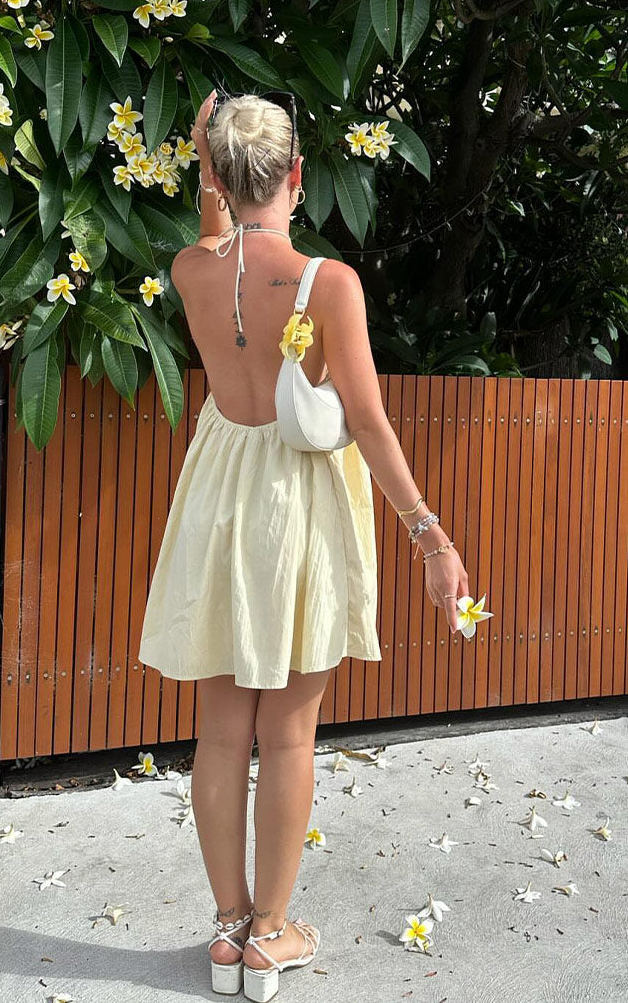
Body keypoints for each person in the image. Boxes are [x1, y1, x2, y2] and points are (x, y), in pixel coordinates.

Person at [137, 88, 469, 996]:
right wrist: (430, 536)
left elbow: (217, 229)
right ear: (296, 174)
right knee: (286, 734)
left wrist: (212, 168)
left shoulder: (190, 270)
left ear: (213, 175)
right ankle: (272, 935)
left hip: (217, 495)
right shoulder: (330, 284)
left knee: (218, 732)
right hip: (298, 503)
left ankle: (226, 929)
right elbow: (364, 418)